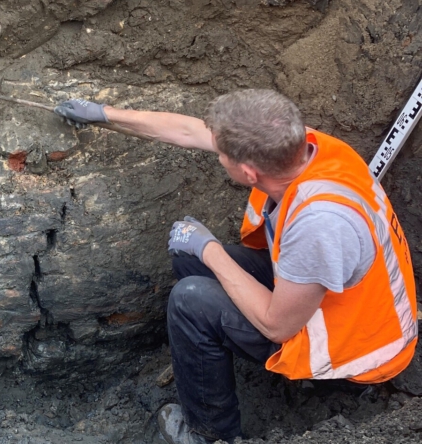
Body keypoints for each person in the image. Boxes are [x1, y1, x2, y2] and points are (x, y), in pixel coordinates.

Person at [54, 90, 417, 444]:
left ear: (248, 173)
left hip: (356, 355)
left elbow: (277, 326)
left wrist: (209, 248)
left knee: (190, 300)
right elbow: (189, 131)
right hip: (329, 299)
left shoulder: (319, 225)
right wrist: (104, 114)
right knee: (189, 259)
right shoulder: (301, 148)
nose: (216, 154)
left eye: (222, 156)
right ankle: (214, 361)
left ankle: (212, 433)